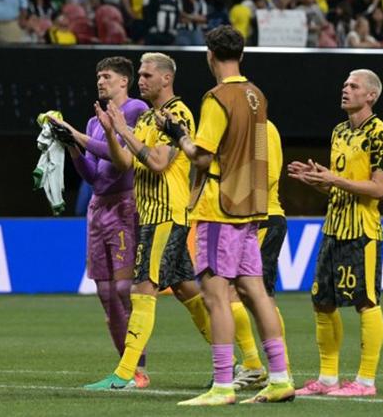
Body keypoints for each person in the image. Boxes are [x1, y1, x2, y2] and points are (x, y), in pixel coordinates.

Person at [157, 26, 292, 405]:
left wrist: (179, 135)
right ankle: (280, 378)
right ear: (242, 55)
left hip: (219, 208)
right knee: (254, 290)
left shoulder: (218, 97)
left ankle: (221, 386)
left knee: (216, 296)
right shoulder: (256, 95)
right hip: (251, 207)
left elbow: (201, 154)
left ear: (209, 55)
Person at [84, 53, 211, 390]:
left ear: (166, 79)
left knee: (143, 291)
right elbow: (125, 162)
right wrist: (113, 132)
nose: (141, 80)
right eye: (139, 74)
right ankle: (241, 362)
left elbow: (157, 162)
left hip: (166, 214)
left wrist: (123, 128)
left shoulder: (178, 114)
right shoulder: (146, 118)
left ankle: (126, 372)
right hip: (151, 214)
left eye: (146, 75)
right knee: (188, 292)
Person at [289, 69, 383, 398]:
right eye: (345, 84)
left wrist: (335, 180)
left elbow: (379, 189)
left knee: (366, 302)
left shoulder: (381, 135)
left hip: (362, 232)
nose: (345, 89)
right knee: (322, 302)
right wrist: (318, 181)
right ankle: (328, 378)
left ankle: (365, 382)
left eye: (353, 86)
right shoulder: (338, 132)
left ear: (370, 96)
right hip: (333, 228)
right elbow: (338, 187)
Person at [49, 57, 150, 387]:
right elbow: (93, 175)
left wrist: (76, 134)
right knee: (106, 293)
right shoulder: (96, 123)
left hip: (124, 206)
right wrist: (73, 148)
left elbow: (120, 161)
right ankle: (126, 368)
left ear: (124, 81)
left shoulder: (134, 110)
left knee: (123, 288)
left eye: (106, 76)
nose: (100, 81)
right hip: (98, 209)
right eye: (98, 76)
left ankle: (139, 367)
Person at [226, 120, 292, 390]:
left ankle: (263, 367)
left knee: (246, 294)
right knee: (245, 294)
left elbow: (269, 175)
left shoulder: (262, 129)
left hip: (264, 217)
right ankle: (272, 369)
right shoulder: (241, 129)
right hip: (247, 219)